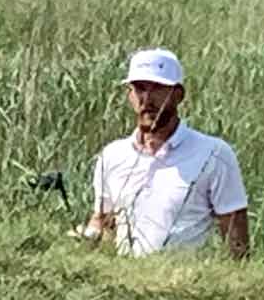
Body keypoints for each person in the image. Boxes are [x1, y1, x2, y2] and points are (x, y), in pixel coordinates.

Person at [73, 48, 249, 258]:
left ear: (178, 95)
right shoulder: (112, 155)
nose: (147, 99)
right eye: (139, 88)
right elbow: (104, 222)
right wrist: (85, 240)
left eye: (157, 89)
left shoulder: (214, 154)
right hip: (123, 280)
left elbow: (237, 241)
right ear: (129, 95)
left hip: (184, 283)